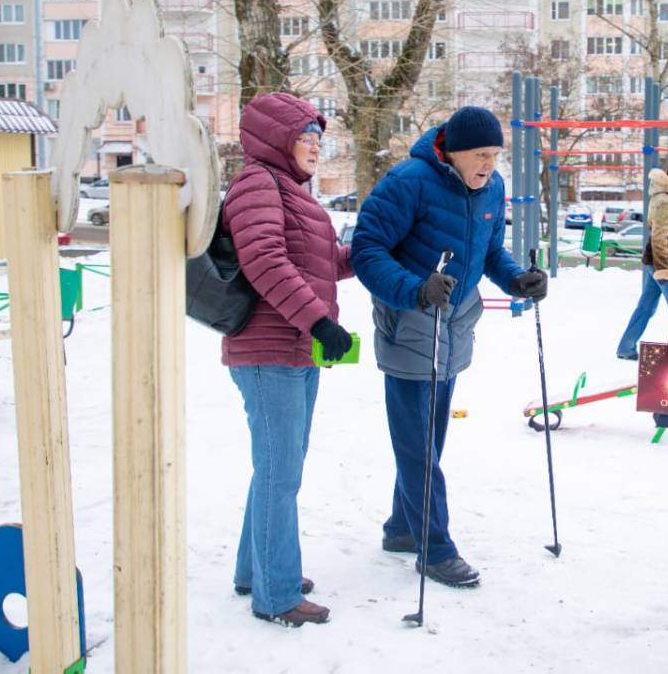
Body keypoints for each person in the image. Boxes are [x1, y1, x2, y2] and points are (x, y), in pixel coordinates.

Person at [351, 105, 547, 588]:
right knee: (418, 446)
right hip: (410, 323)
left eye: (495, 155)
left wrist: (516, 280)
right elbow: (366, 250)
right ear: (453, 152)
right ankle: (434, 547)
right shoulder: (409, 182)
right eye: (480, 155)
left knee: (430, 441)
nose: (488, 165)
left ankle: (402, 527)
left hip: (454, 326)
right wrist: (414, 287)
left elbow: (489, 250)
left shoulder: (492, 189)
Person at [223, 92, 356, 627]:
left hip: (294, 347)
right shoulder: (258, 182)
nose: (315, 148)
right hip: (268, 349)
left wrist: (368, 252)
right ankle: (275, 595)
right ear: (276, 138)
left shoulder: (292, 192)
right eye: (306, 137)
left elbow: (317, 264)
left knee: (276, 468)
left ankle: (257, 570)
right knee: (282, 474)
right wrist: (319, 320)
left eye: (319, 140)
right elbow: (264, 261)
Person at [615, 163, 668, 360]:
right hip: (664, 263)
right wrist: (663, 268)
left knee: (647, 306)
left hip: (663, 261)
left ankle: (626, 347)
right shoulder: (665, 201)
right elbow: (659, 238)